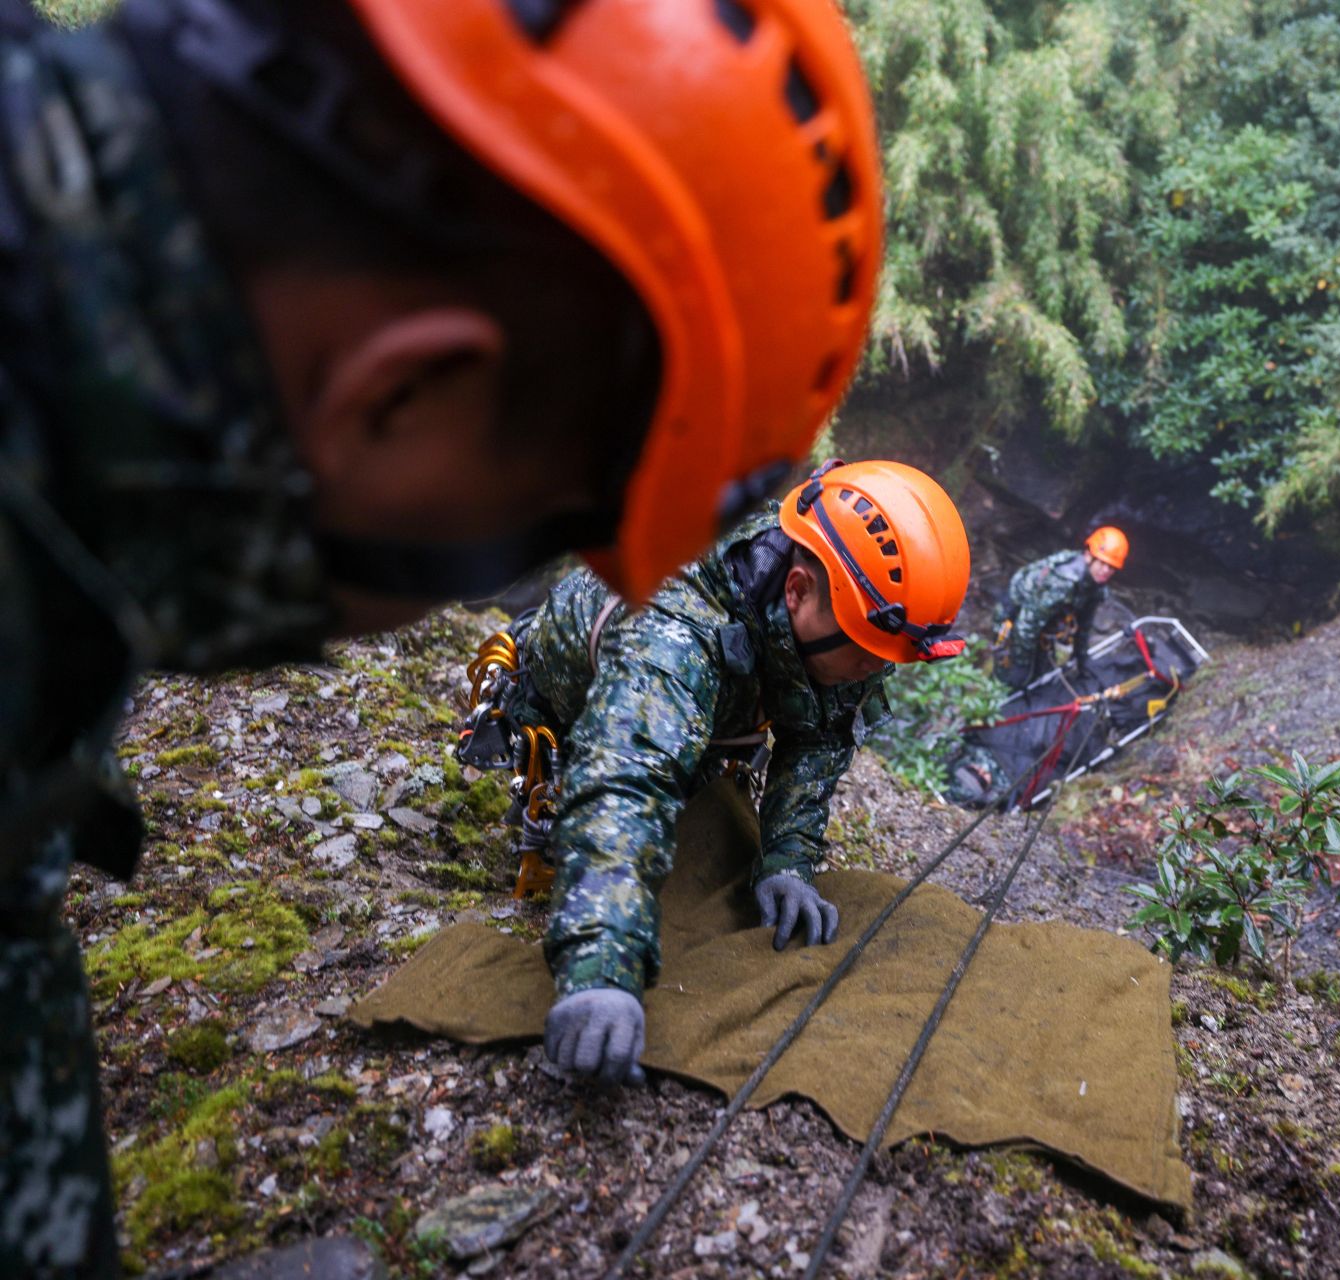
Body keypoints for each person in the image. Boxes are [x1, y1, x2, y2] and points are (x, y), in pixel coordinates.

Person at [0, 0, 882, 1273]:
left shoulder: (71, 491)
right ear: (404, 394)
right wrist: (599, 961)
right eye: (542, 529)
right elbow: (624, 771)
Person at [464, 461, 971, 1086]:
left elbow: (817, 735)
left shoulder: (832, 617)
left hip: (701, 710)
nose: (873, 670)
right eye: (866, 652)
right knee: (648, 790)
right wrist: (599, 974)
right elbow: (624, 779)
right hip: (576, 711)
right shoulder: (677, 632)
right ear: (798, 591)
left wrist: (786, 863)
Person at [993, 525, 1129, 688]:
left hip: (1044, 618)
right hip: (1015, 616)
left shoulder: (1096, 587)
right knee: (1011, 675)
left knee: (1041, 673)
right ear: (1088, 556)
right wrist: (1022, 664)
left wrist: (1081, 658)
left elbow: (1084, 625)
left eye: (1111, 568)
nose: (1105, 571)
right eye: (1102, 563)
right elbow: (1025, 626)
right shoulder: (1063, 583)